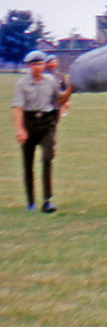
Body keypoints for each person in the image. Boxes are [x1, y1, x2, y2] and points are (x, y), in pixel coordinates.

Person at [11, 50, 73, 212]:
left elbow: (59, 100)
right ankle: (30, 202)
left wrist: (70, 89)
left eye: (40, 63)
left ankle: (47, 200)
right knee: (28, 163)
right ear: (28, 66)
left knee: (47, 157)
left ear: (44, 65)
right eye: (34, 64)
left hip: (47, 123)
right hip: (29, 123)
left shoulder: (51, 81)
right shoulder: (22, 84)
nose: (38, 67)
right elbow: (17, 108)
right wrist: (20, 129)